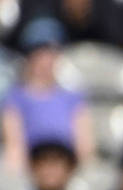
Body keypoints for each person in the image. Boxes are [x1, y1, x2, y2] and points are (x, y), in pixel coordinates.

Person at [1, 17, 92, 177]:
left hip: (68, 171)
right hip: (32, 171)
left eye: (51, 53)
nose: (45, 60)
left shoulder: (73, 99)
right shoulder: (14, 99)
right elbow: (14, 148)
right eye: (38, 53)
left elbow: (85, 148)